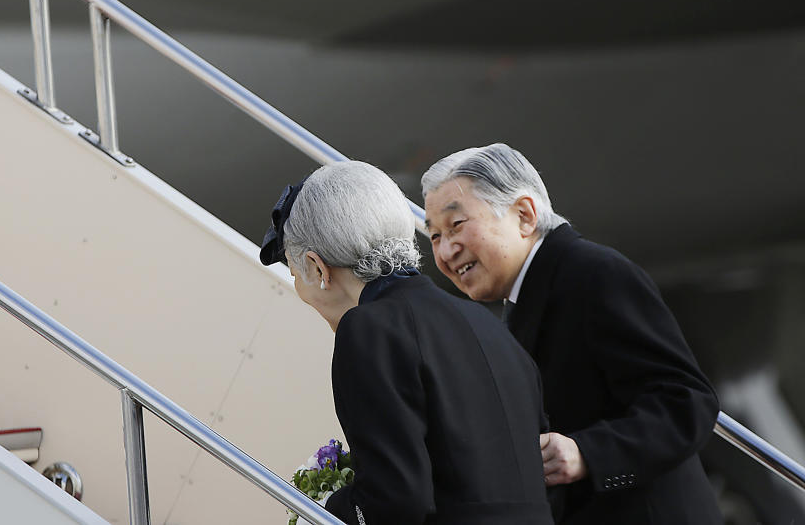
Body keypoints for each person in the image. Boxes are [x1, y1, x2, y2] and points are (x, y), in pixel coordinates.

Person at [421, 143, 723, 525]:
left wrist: (587, 454)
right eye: (434, 236)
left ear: (524, 215)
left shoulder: (594, 274)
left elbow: (687, 402)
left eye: (456, 225)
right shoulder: (527, 297)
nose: (447, 251)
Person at [260, 161, 553, 525]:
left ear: (318, 268)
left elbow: (395, 502)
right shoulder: (490, 327)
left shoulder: (368, 328)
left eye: (294, 273)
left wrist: (324, 508)